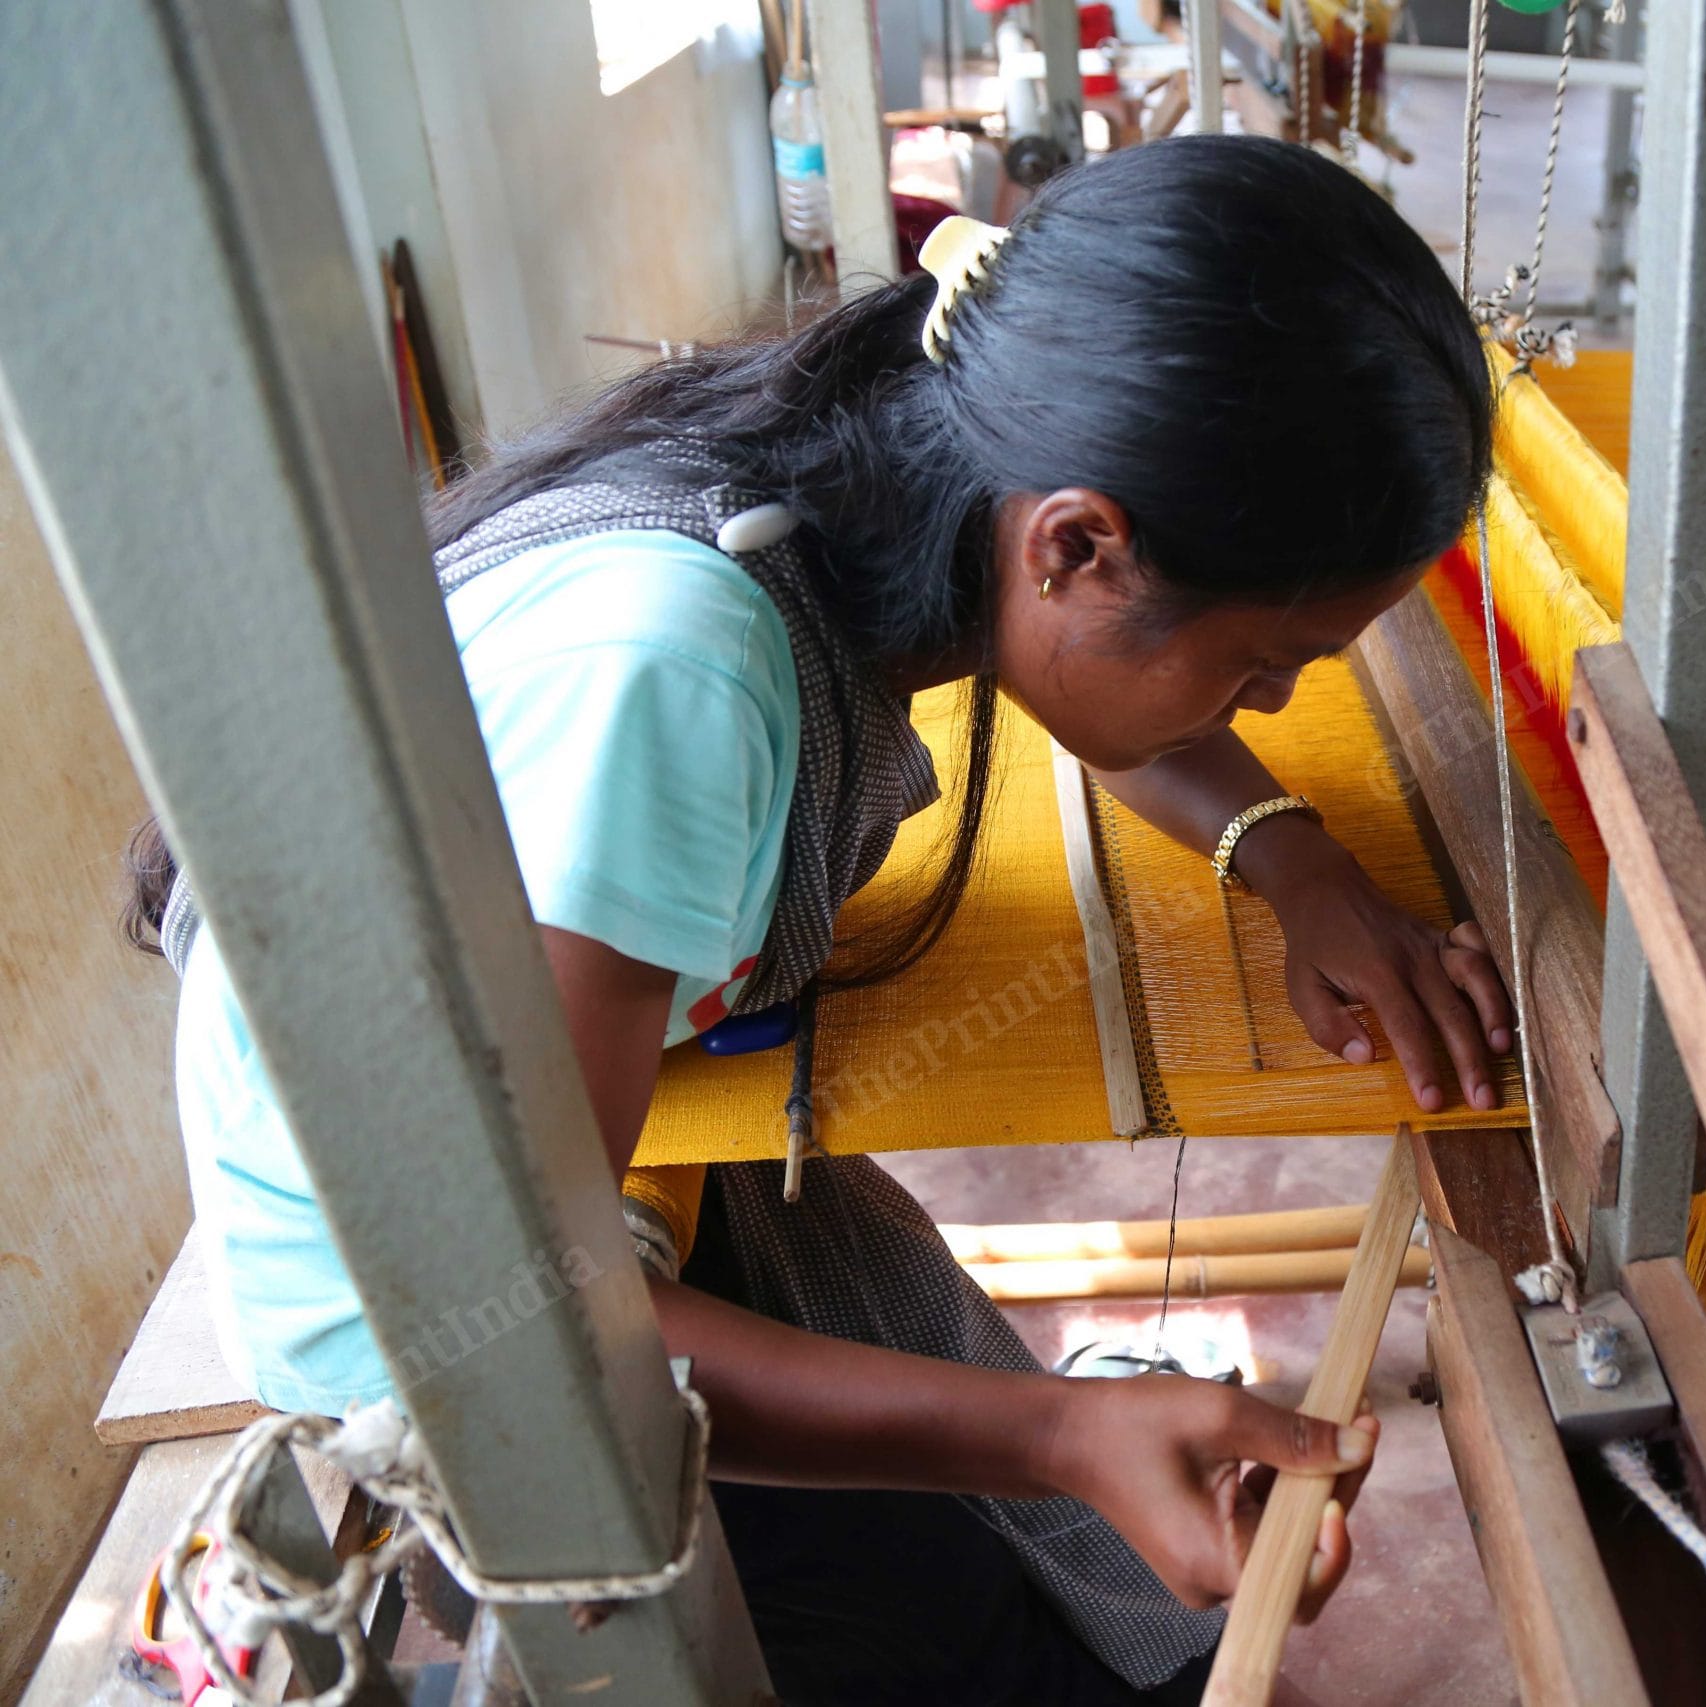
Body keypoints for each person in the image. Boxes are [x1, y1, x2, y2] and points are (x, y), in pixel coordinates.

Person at [130, 135, 1510, 1704]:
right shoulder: (680, 679)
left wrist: (1294, 859)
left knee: (1074, 1597)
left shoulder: (875, 479)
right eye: (1269, 665)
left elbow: (1128, 678)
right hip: (440, 1356)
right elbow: (525, 1337)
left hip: (562, 1204)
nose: (1264, 702)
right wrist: (1058, 1431)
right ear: (1073, 542)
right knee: (1033, 1627)